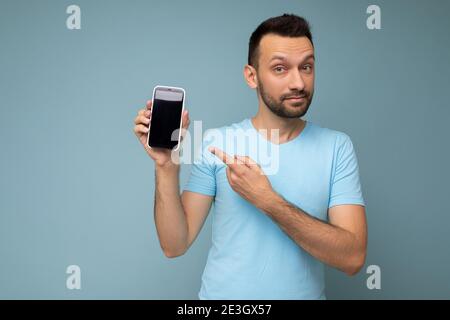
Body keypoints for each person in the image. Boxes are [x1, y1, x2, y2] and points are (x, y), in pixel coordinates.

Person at [133, 13, 367, 300]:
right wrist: (166, 166)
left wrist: (267, 200)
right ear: (251, 76)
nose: (299, 83)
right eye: (280, 69)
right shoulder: (217, 142)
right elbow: (174, 245)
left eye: (306, 67)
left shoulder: (337, 147)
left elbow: (353, 258)